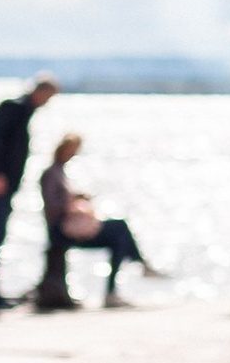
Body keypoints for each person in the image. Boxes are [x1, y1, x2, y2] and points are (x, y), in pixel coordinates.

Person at [35, 132, 156, 309]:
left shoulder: (60, 171)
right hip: (63, 229)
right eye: (72, 150)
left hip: (71, 226)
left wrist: (77, 197)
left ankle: (120, 282)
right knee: (119, 229)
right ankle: (135, 266)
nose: (73, 154)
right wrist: (73, 201)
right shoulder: (51, 173)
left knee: (119, 236)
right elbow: (52, 205)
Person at [0, 78, 57, 310]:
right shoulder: (13, 108)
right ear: (40, 91)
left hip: (5, 184)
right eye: (49, 96)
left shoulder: (23, 111)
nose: (48, 102)